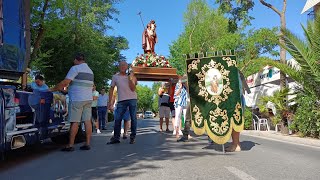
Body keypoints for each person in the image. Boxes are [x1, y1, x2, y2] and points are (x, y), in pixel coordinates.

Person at [50, 53, 94, 151]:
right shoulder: (90, 71)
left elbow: (65, 82)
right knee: (87, 121)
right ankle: (87, 144)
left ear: (75, 60)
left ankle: (70, 145)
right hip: (88, 99)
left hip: (77, 99)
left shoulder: (75, 68)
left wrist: (52, 89)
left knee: (75, 122)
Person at [107, 61, 138, 145]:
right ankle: (116, 137)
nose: (123, 67)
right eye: (121, 65)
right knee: (117, 119)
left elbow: (133, 89)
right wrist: (109, 102)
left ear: (127, 67)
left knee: (133, 118)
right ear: (119, 67)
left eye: (124, 65)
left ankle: (132, 137)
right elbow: (111, 89)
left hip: (132, 99)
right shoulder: (115, 77)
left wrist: (130, 78)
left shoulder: (132, 76)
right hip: (121, 100)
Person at [174, 75, 188, 139]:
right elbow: (176, 94)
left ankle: (186, 133)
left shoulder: (186, 85)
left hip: (185, 101)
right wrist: (180, 87)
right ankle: (177, 132)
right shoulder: (178, 84)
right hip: (179, 102)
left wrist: (186, 86)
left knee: (186, 117)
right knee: (178, 116)